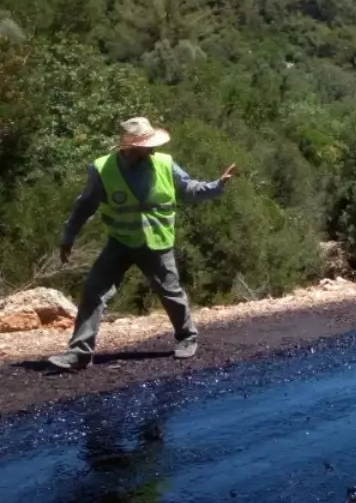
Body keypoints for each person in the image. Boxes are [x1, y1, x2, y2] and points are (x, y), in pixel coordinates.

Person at [46, 117, 236, 372]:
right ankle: (79, 354)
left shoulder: (164, 163)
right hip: (120, 241)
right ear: (131, 147)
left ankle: (187, 337)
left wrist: (216, 186)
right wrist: (68, 236)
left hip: (156, 241)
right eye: (148, 145)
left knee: (170, 292)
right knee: (94, 291)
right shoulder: (102, 168)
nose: (153, 149)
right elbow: (85, 204)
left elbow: (187, 188)